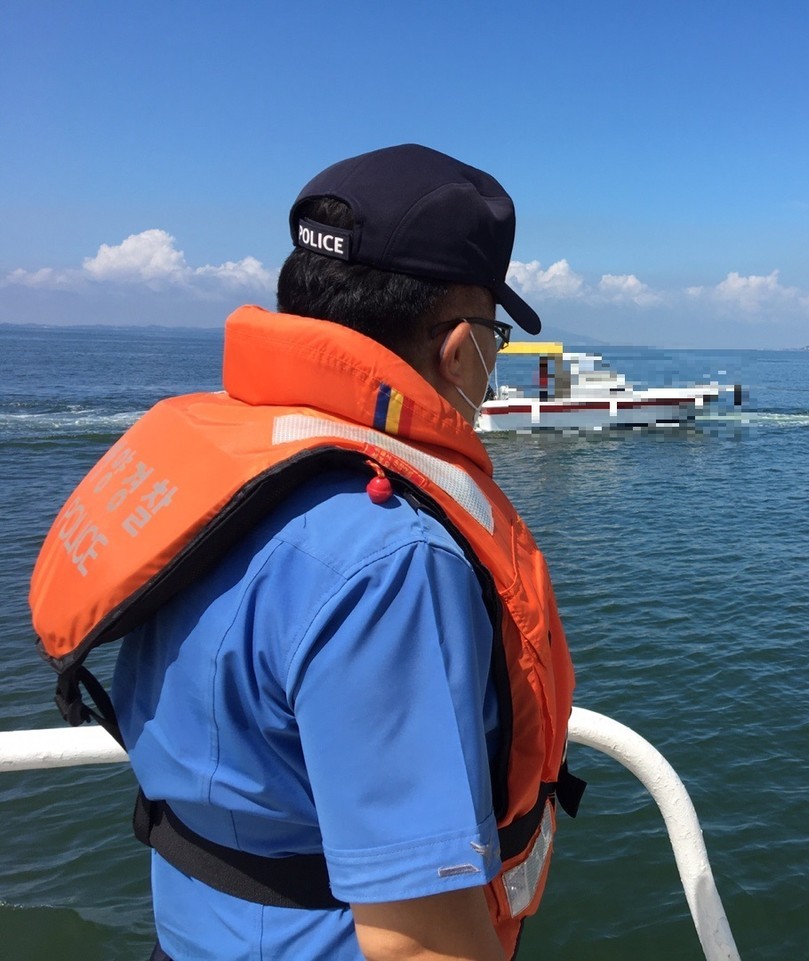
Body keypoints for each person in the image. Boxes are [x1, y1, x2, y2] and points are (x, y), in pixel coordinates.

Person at [29, 144, 581, 961]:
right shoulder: (392, 560)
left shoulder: (235, 474)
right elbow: (415, 943)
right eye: (495, 339)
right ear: (460, 349)